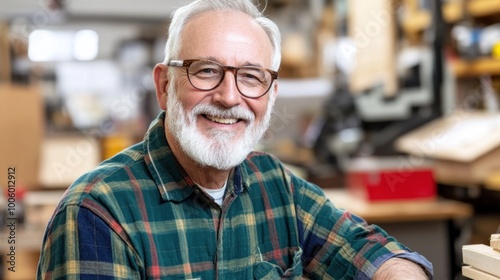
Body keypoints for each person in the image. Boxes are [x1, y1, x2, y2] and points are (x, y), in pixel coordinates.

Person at [37, 0, 433, 279]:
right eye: (207, 71)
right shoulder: (97, 214)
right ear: (164, 85)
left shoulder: (276, 186)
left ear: (271, 95)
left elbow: (370, 250)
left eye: (251, 76)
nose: (229, 97)